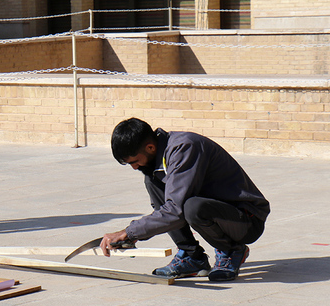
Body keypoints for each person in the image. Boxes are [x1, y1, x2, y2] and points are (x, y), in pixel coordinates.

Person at [100, 118, 270, 281]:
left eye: (134, 161)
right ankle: (192, 257)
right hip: (218, 210)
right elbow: (169, 209)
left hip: (246, 219)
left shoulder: (184, 147)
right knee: (153, 181)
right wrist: (132, 235)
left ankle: (231, 250)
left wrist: (129, 232)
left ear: (150, 147)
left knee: (192, 208)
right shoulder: (161, 159)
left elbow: (175, 211)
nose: (134, 167)